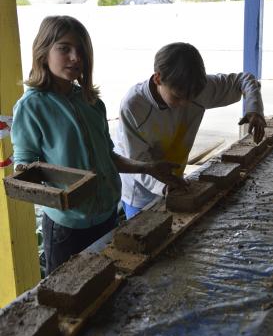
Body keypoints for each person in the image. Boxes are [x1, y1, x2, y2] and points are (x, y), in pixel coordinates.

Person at [11, 16, 181, 275]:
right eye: (64, 48)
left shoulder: (91, 102)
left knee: (106, 284)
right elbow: (24, 168)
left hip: (107, 217)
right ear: (43, 52)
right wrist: (60, 187)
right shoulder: (32, 106)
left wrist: (149, 167)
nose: (75, 57)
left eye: (81, 50)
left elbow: (108, 157)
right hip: (67, 228)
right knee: (70, 298)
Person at [115, 42, 266, 219]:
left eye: (191, 97)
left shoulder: (195, 88)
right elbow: (138, 161)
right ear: (158, 79)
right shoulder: (134, 106)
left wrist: (254, 109)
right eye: (178, 97)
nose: (185, 104)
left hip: (177, 181)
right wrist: (166, 186)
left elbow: (244, 80)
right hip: (141, 193)